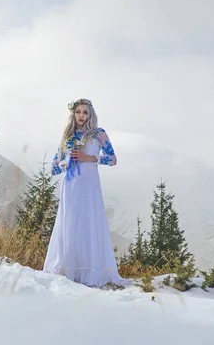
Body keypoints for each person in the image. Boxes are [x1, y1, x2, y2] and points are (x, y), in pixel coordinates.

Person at [43, 98, 130, 288]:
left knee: (88, 222)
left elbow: (112, 159)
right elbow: (54, 168)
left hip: (89, 186)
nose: (81, 116)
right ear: (73, 115)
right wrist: (66, 162)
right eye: (78, 112)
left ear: (91, 115)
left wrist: (88, 157)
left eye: (85, 112)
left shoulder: (99, 134)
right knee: (71, 224)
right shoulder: (67, 137)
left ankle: (90, 270)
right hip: (70, 187)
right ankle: (69, 269)